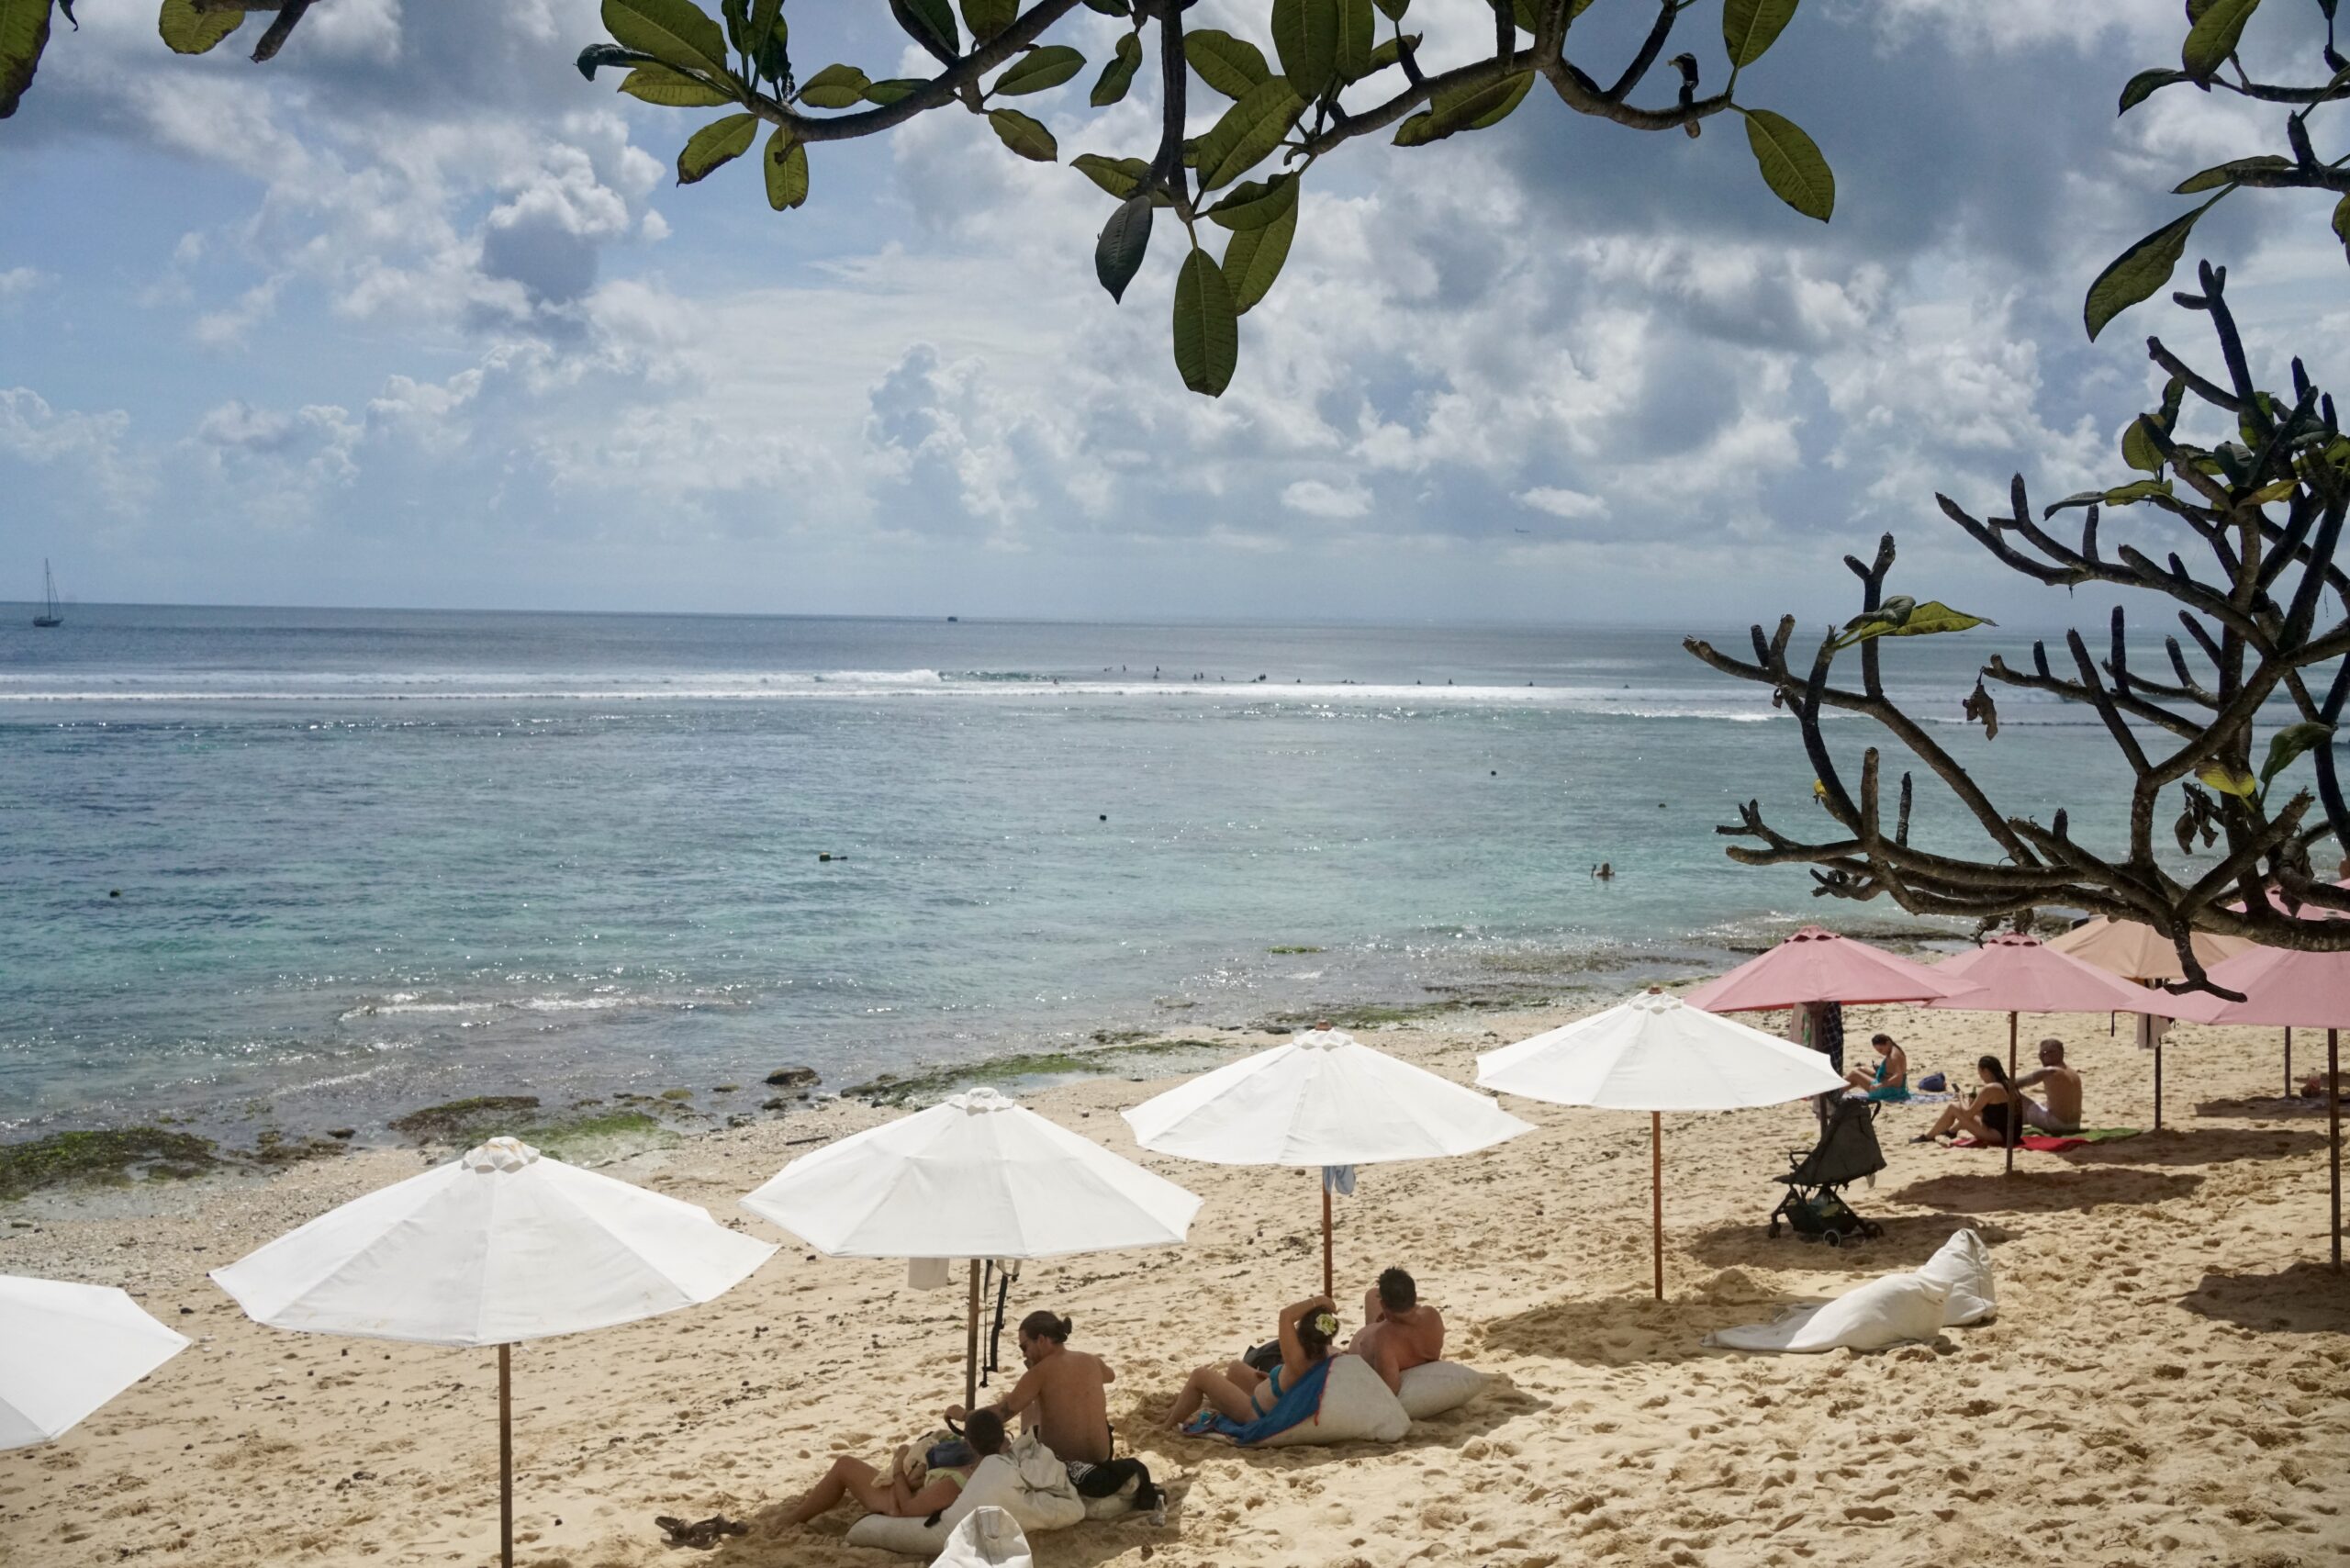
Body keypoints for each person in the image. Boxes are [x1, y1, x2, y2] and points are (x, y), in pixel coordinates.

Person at [945, 1310, 1114, 1469]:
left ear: (1041, 1340)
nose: (1024, 1354)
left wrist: (962, 1414)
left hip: (1060, 1464)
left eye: (1024, 1347)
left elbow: (999, 1415)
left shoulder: (1038, 1373)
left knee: (1026, 1406)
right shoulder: (1092, 1360)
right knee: (1037, 1399)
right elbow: (1110, 1376)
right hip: (1102, 1458)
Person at [783, 1408, 1005, 1527]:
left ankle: (792, 1518)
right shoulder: (1002, 1458)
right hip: (923, 1487)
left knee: (844, 1466)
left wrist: (898, 1465)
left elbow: (907, 1509)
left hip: (897, 1502)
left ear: (969, 1441)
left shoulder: (957, 1482)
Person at [1162, 1295, 1337, 1430]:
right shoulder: (1325, 1356)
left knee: (1200, 1375)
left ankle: (1167, 1425)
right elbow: (1297, 1384)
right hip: (1272, 1399)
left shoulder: (1296, 1357)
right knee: (1235, 1368)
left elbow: (1286, 1315)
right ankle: (1199, 1404)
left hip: (1254, 1412)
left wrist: (1318, 1301)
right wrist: (1273, 1378)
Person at [1345, 1268, 1443, 1394]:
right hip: (1394, 1327)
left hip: (1367, 1353)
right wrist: (1388, 1320)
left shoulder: (1385, 1338)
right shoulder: (1431, 1314)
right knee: (1371, 1294)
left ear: (1383, 1305)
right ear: (1415, 1296)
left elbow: (1390, 1390)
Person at [1914, 1055, 2018, 1146]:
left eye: (1980, 1073)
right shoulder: (2008, 1084)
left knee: (1953, 1107)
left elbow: (1968, 1114)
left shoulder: (1991, 1088)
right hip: (2013, 1133)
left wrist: (1961, 1098)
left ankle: (1928, 1137)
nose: (1981, 1077)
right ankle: (1950, 1132)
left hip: (2000, 1136)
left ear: (1985, 1071)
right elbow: (1996, 1112)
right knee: (1965, 1106)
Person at [2014, 1038, 2084, 1133]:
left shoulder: (2049, 1071)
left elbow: (2014, 1084)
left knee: (2012, 1093)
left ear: (2054, 1053)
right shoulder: (2072, 1072)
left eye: (2043, 1054)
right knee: (2042, 1104)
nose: (2041, 1058)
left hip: (2057, 1124)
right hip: (2074, 1125)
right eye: (2040, 1055)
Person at [1845, 1033, 1909, 1101]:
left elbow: (1898, 1077)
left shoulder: (1893, 1056)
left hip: (1890, 1091)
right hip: (1894, 1087)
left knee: (1854, 1074)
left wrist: (1879, 1085)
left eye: (1881, 1049)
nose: (1880, 1053)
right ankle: (1840, 1091)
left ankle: (1836, 1092)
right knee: (1861, 1069)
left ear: (1887, 1043)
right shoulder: (1895, 1049)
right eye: (1878, 1051)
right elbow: (1893, 1071)